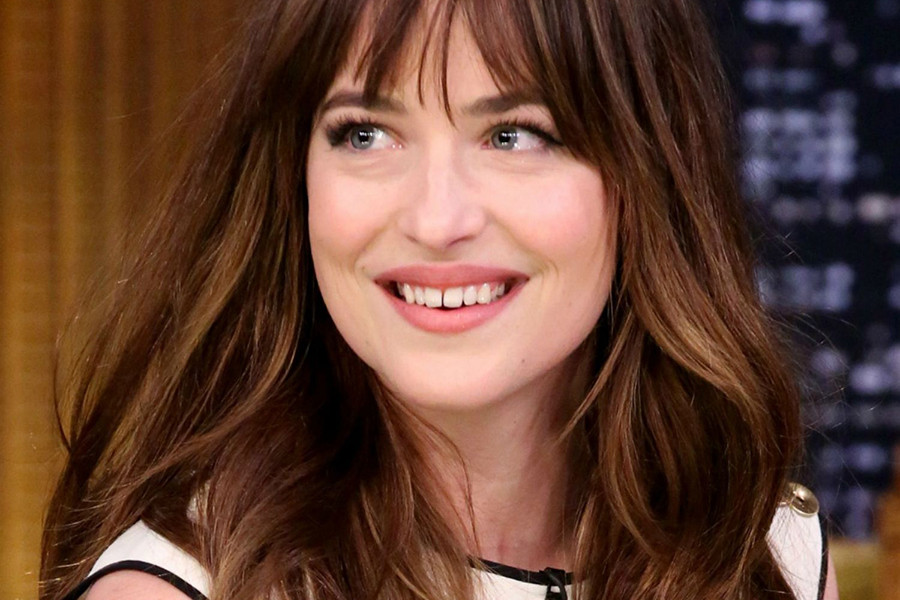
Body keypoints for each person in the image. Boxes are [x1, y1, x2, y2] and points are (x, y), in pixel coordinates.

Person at [41, 0, 839, 599]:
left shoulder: (770, 558)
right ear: (295, 180)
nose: (435, 220)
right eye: (365, 133)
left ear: (648, 173)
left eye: (513, 134)